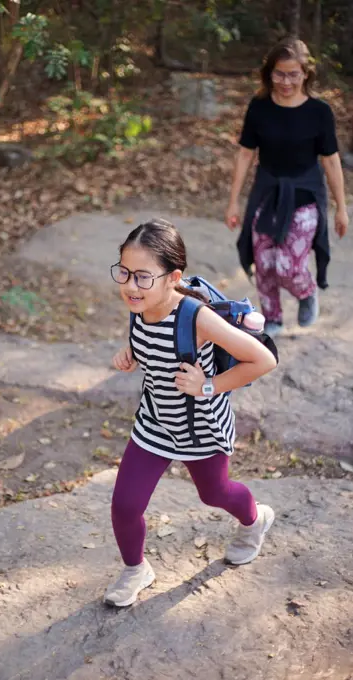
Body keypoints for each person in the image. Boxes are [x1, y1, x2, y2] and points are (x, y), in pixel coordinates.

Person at [104, 218, 277, 608]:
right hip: (155, 421)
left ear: (172, 277)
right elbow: (149, 340)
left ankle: (255, 520)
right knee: (125, 505)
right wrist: (130, 353)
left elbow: (263, 359)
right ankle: (135, 569)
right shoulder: (140, 303)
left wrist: (208, 385)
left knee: (215, 494)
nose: (130, 285)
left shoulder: (197, 317)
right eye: (124, 273)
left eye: (143, 277)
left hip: (201, 427)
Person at [226, 38, 348, 337]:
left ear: (306, 73)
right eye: (279, 74)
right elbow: (245, 154)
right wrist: (233, 202)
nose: (286, 81)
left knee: (288, 266)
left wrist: (341, 208)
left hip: (305, 194)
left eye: (294, 74)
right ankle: (273, 318)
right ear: (270, 73)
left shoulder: (319, 111)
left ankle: (306, 293)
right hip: (267, 192)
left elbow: (331, 161)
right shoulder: (259, 107)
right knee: (264, 262)